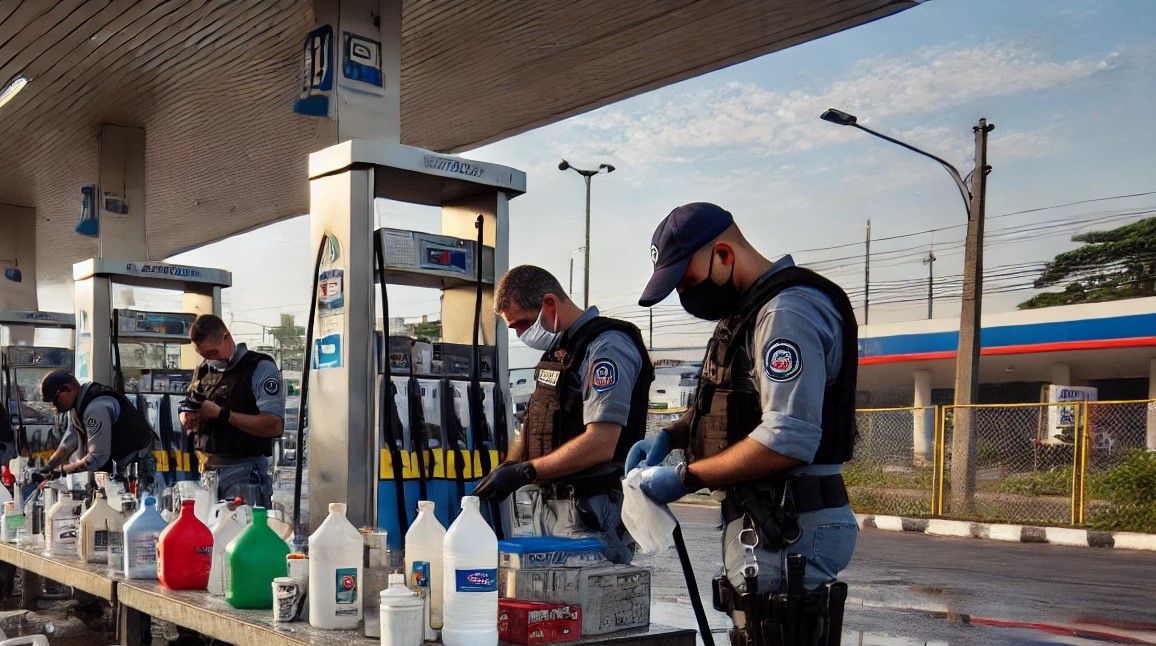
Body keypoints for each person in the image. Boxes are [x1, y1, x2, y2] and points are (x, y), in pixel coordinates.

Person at [627, 203, 858, 645]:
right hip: (770, 521)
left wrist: (685, 477)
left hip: (790, 525)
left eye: (688, 282)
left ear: (724, 255)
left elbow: (786, 439)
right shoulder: (748, 315)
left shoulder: (785, 313)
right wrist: (672, 434)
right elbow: (727, 406)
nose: (685, 298)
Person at [472, 265, 654, 563]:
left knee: (586, 603)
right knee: (554, 606)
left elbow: (602, 442)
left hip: (591, 510)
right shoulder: (559, 353)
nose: (520, 334)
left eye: (522, 323)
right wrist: (506, 469)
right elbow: (536, 426)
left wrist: (525, 472)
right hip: (551, 505)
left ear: (550, 304)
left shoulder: (607, 347)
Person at [180, 314, 284, 506]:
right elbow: (189, 405)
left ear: (226, 336)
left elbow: (274, 425)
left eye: (213, 353)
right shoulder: (203, 370)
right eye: (203, 355)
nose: (210, 360)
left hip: (243, 472)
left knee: (242, 531)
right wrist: (189, 417)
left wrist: (222, 414)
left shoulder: (259, 368)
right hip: (207, 473)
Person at [35, 370, 155, 486]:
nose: (55, 406)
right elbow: (70, 441)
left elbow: (97, 457)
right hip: (117, 467)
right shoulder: (76, 406)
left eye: (55, 400)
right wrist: (48, 468)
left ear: (68, 389)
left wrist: (61, 471)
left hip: (135, 468)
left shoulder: (96, 408)